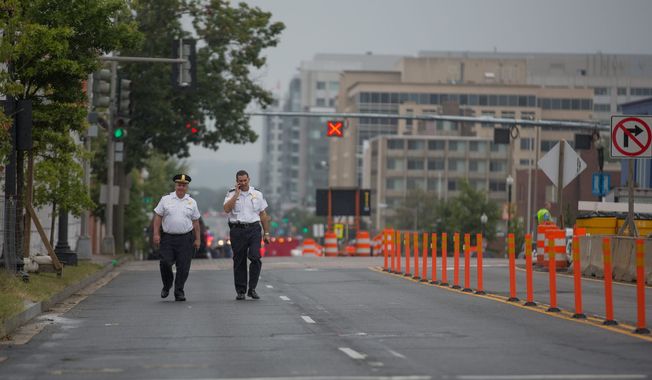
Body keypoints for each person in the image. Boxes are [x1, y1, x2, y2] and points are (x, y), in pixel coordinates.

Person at [152, 174, 201, 301]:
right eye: (179, 185)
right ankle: (167, 285)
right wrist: (156, 234)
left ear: (187, 187)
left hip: (185, 238)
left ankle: (179, 291)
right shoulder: (166, 199)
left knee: (183, 266)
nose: (181, 187)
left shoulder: (192, 202)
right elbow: (158, 217)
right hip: (168, 238)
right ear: (175, 185)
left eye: (184, 185)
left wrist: (197, 239)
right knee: (165, 262)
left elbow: (196, 222)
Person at [223, 170, 271, 300]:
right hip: (237, 230)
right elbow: (227, 209)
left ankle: (252, 288)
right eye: (240, 181)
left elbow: (263, 214)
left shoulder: (257, 194)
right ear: (237, 181)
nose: (243, 183)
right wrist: (236, 195)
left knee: (255, 257)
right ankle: (241, 290)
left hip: (254, 229)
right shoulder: (231, 193)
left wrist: (266, 233)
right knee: (239, 260)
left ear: (249, 179)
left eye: (245, 180)